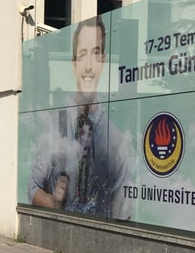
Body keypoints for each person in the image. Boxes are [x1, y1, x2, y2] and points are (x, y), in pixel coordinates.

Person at [28, 15, 131, 219]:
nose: (89, 66)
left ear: (103, 61)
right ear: (74, 64)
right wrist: (53, 202)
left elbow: (123, 212)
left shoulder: (116, 139)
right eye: (83, 55)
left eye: (96, 54)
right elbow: (33, 188)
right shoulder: (55, 124)